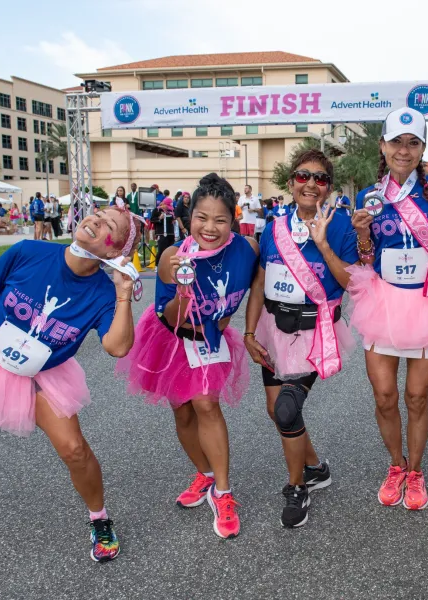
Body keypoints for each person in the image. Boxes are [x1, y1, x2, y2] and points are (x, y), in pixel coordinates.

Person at [0, 205, 143, 562]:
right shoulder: (29, 251)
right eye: (96, 215)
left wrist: (122, 293)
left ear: (117, 250)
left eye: (108, 226)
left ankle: (99, 519)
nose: (94, 221)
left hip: (43, 372)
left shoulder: (104, 293)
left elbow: (117, 346)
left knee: (74, 448)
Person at [118, 174, 258, 539]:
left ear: (233, 220)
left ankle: (223, 493)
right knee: (182, 411)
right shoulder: (171, 257)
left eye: (220, 219)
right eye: (201, 217)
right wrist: (182, 291)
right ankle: (205, 474)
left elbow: (258, 282)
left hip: (211, 339)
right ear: (188, 217)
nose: (209, 227)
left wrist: (249, 328)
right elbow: (169, 316)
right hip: (172, 337)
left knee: (207, 404)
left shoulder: (248, 249)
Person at [244, 149, 358, 528]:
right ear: (291, 182)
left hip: (316, 331)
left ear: (328, 187)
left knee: (287, 410)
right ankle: (314, 467)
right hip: (274, 329)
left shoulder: (341, 226)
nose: (311, 183)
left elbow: (350, 283)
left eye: (320, 178)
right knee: (275, 409)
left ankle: (297, 488)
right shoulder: (274, 225)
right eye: (303, 176)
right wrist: (248, 330)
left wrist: (323, 243)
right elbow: (260, 282)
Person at [348, 108, 428, 511]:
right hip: (384, 301)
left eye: (413, 142)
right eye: (396, 142)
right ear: (383, 146)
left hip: (426, 302)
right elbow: (367, 257)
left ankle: (417, 469)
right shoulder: (368, 197)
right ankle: (396, 464)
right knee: (385, 395)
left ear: (423, 148)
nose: (404, 150)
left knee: (417, 397)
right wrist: (360, 234)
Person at [152, 194, 177, 266]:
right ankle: (157, 265)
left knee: (170, 250)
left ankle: (168, 265)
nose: (168, 208)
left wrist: (173, 220)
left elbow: (172, 220)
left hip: (170, 233)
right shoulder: (157, 210)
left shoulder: (171, 211)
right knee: (161, 250)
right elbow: (152, 220)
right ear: (163, 204)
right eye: (167, 206)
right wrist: (159, 218)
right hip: (161, 233)